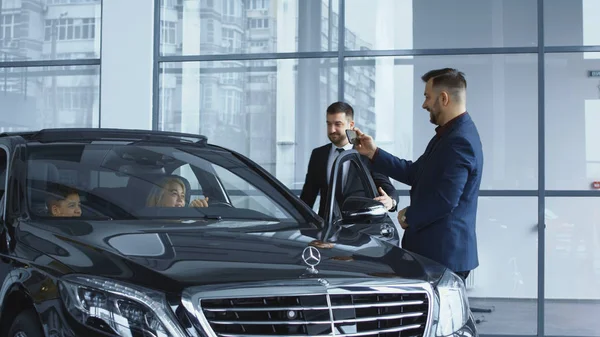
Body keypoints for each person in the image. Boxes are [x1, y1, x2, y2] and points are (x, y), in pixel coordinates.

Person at [353, 68, 483, 280]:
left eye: (427, 97)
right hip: (437, 254)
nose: (424, 104)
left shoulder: (459, 141)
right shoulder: (447, 135)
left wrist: (409, 216)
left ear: (444, 98)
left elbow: (446, 200)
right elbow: (415, 172)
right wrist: (373, 152)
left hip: (443, 256)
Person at [300, 101, 399, 218]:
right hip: (327, 229)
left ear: (351, 125)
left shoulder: (367, 153)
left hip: (360, 228)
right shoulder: (318, 154)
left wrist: (391, 201)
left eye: (338, 124)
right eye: (329, 124)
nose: (332, 130)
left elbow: (387, 188)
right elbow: (308, 196)